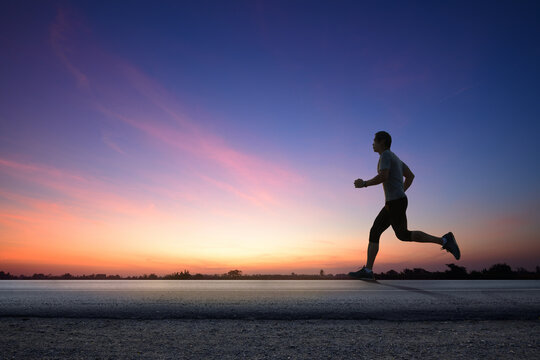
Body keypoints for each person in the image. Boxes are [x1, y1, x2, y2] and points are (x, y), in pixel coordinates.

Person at [349, 131, 460, 280]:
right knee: (392, 233)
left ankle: (445, 240)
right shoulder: (396, 158)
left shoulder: (386, 156)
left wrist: (364, 184)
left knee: (388, 232)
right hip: (396, 201)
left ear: (382, 141)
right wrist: (401, 191)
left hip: (395, 203)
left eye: (374, 141)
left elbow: (384, 176)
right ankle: (445, 240)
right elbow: (410, 176)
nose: (372, 144)